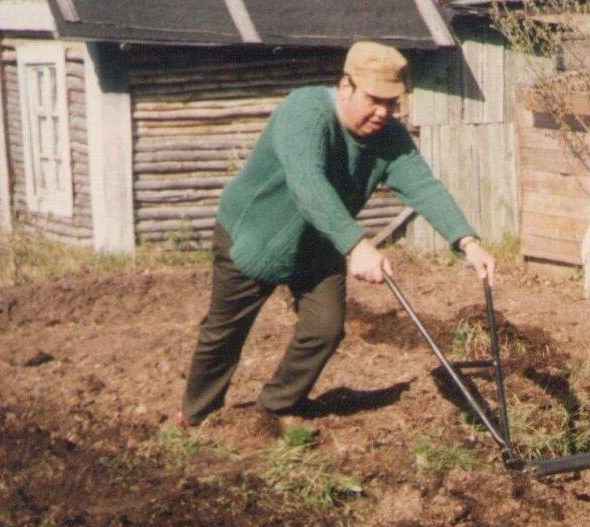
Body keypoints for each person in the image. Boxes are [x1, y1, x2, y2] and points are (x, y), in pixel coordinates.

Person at [174, 41, 496, 428]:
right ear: (346, 86)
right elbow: (308, 182)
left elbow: (423, 186)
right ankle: (196, 416)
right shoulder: (305, 112)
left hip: (321, 241)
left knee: (325, 328)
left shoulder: (388, 137)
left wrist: (467, 241)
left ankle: (277, 406)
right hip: (255, 234)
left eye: (392, 103)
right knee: (224, 333)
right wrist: (358, 246)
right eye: (375, 99)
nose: (383, 112)